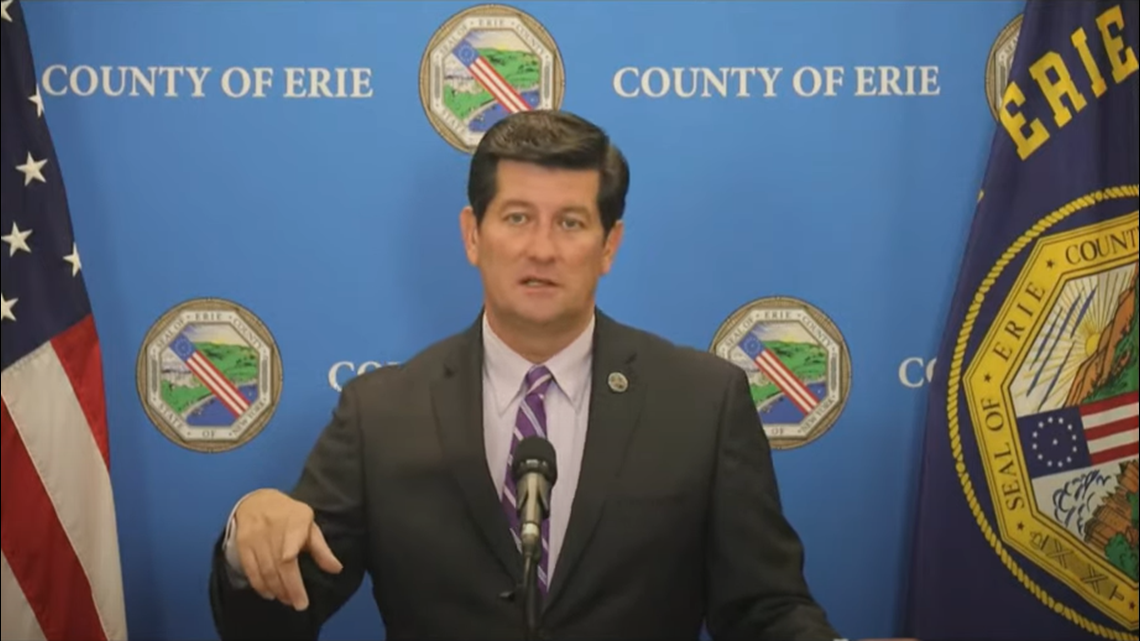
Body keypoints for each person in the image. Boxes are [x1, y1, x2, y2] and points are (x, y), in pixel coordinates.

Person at [207, 109, 841, 640]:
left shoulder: (703, 402)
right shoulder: (380, 413)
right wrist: (248, 541)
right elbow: (276, 618)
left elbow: (765, 607)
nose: (542, 249)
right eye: (516, 218)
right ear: (472, 235)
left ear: (609, 245)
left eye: (570, 222)